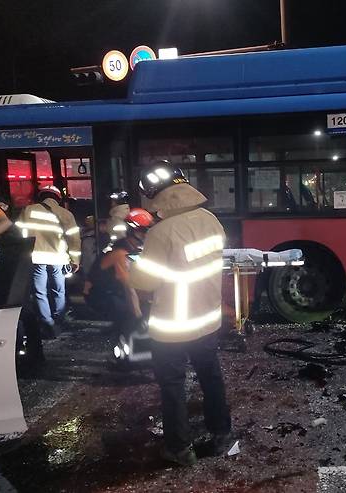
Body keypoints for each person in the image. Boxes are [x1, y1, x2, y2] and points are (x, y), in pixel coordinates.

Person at [129, 162, 231, 466]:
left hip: (172, 326)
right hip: (208, 319)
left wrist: (137, 265)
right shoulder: (211, 220)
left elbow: (144, 282)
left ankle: (179, 448)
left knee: (173, 385)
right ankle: (222, 433)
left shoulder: (161, 233)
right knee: (211, 377)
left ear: (159, 197)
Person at [15, 185, 81, 339]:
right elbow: (74, 239)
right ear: (58, 198)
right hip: (58, 257)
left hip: (37, 256)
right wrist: (75, 259)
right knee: (59, 289)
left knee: (40, 291)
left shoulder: (28, 210)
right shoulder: (66, 214)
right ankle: (60, 317)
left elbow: (19, 232)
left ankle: (48, 322)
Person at [84, 208, 154, 350]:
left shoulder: (132, 248)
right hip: (97, 294)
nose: (146, 235)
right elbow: (129, 287)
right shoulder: (121, 253)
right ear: (133, 232)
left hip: (112, 289)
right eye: (143, 231)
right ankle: (123, 349)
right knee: (128, 312)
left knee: (141, 304)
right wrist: (138, 316)